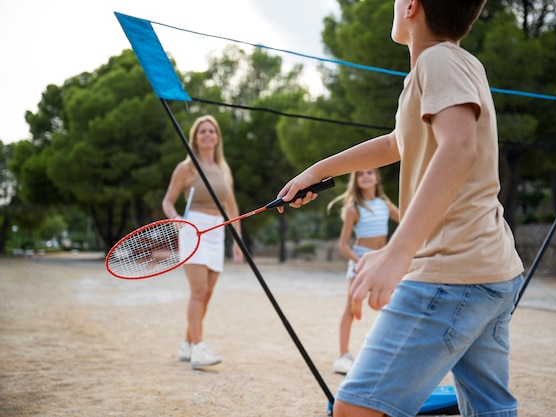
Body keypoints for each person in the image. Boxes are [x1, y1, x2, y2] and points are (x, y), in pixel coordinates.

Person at [276, 1, 525, 416]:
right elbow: (397, 142)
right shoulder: (450, 65)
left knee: (355, 409)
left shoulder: (438, 61)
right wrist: (314, 171)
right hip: (491, 271)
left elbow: (459, 146)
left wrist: (398, 252)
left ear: (411, 6)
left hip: (451, 272)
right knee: (490, 409)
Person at [162, 115, 243, 369]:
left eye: (211, 131)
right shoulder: (186, 169)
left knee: (206, 295)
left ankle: (187, 343)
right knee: (198, 292)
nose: (207, 135)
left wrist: (237, 241)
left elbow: (231, 206)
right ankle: (198, 349)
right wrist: (175, 218)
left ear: (217, 137)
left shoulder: (224, 170)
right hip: (192, 229)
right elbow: (167, 201)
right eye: (202, 131)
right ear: (195, 138)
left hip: (217, 232)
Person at [326, 169, 399, 375]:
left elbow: (407, 222)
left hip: (382, 262)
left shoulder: (385, 205)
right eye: (360, 174)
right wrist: (362, 263)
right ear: (355, 181)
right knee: (351, 309)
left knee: (389, 306)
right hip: (360, 261)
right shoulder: (353, 209)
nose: (366, 176)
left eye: (370, 172)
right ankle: (343, 356)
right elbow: (343, 246)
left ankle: (387, 355)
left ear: (377, 178)